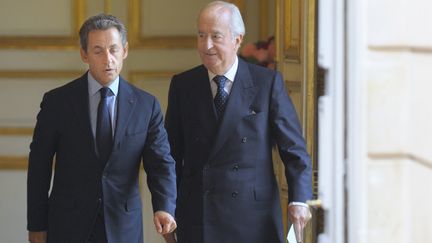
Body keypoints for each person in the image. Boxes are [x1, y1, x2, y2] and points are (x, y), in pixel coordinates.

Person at [164, 1, 312, 243]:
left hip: (253, 220)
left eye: (215, 36)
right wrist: (166, 208)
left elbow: (294, 150)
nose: (206, 45)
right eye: (201, 36)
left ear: (237, 39)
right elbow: (170, 156)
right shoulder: (183, 85)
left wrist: (299, 199)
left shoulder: (267, 83)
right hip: (199, 217)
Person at [27, 14, 177, 243]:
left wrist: (164, 207)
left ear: (125, 50)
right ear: (84, 54)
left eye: (114, 50)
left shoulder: (147, 105)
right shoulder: (57, 102)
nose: (108, 60)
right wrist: (37, 224)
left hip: (123, 226)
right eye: (98, 51)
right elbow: (39, 165)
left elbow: (161, 164)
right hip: (68, 225)